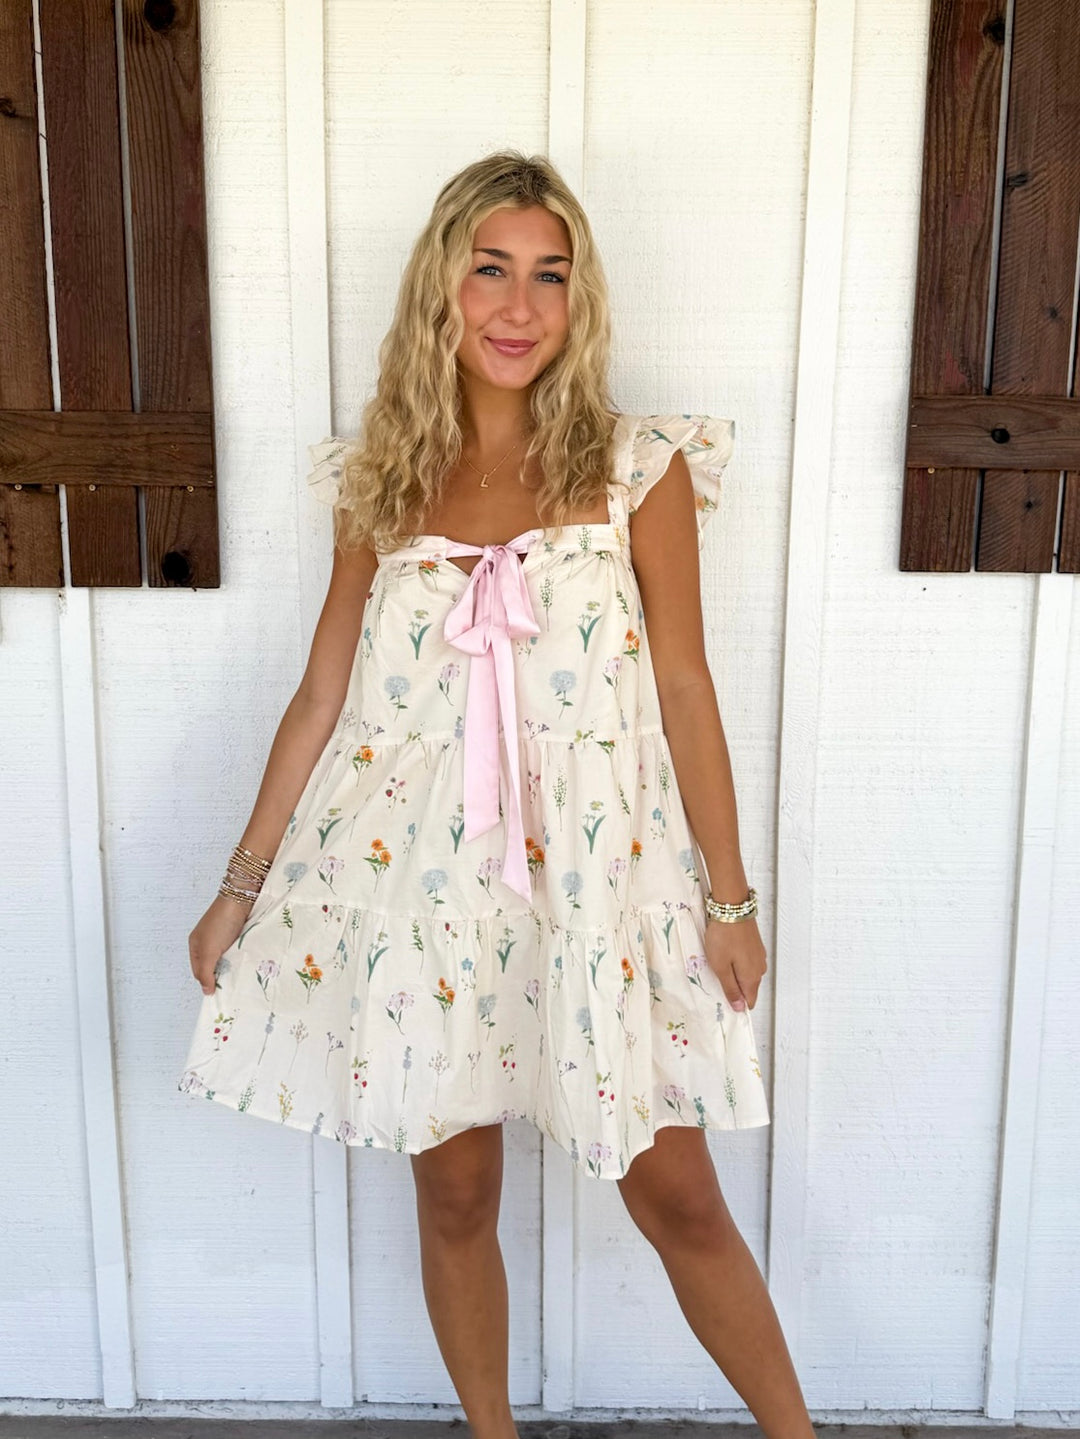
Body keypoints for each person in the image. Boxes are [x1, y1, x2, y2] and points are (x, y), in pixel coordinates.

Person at [178, 150, 815, 1439]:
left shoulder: (637, 469)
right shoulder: (381, 481)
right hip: (424, 890)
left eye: (550, 275)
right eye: (490, 270)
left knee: (677, 1194)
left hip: (599, 891)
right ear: (441, 286)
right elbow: (322, 694)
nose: (519, 306)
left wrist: (729, 898)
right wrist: (239, 887)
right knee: (457, 1193)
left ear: (580, 299)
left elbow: (684, 687)